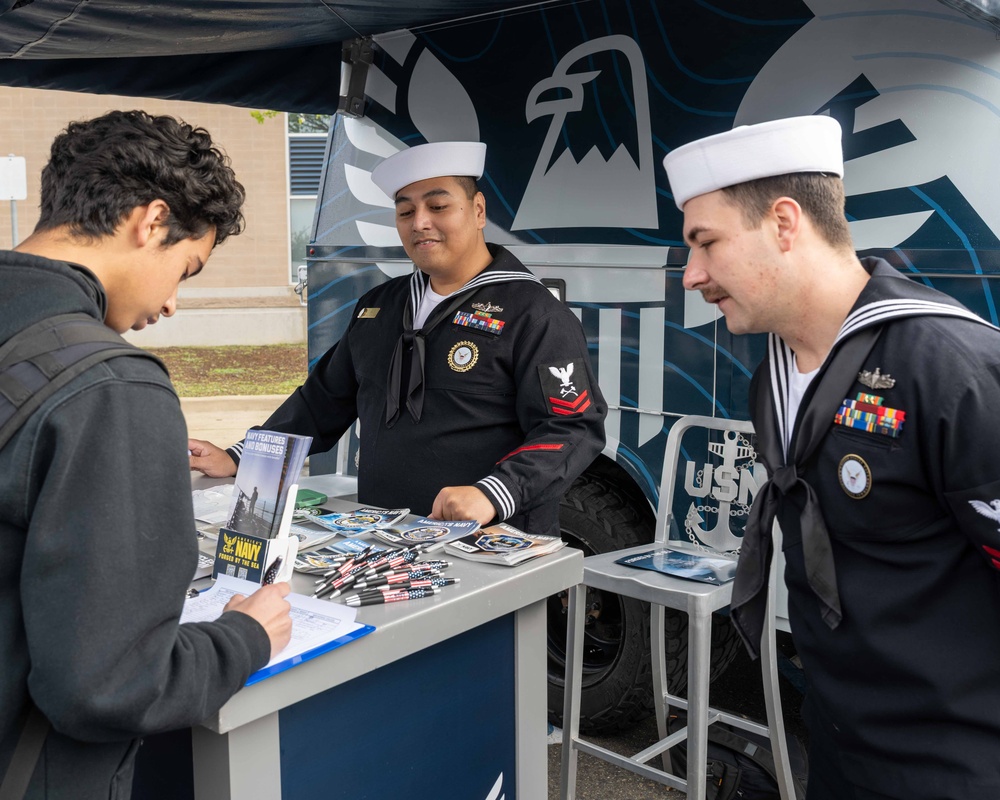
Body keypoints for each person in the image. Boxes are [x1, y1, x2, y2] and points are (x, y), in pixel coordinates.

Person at [663, 115, 1000, 799]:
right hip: (839, 747)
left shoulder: (950, 369)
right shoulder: (775, 372)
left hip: (955, 765)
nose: (691, 274)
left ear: (785, 223)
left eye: (706, 242)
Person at [0, 110, 293, 799]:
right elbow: (109, 684)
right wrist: (245, 636)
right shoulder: (111, 386)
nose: (170, 305)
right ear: (152, 221)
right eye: (185, 270)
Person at [189, 141, 606, 536]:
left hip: (490, 547)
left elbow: (572, 428)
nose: (420, 222)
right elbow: (322, 403)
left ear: (478, 211)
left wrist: (493, 493)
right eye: (405, 212)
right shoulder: (380, 307)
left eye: (439, 206)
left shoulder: (534, 313)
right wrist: (241, 457)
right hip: (385, 539)